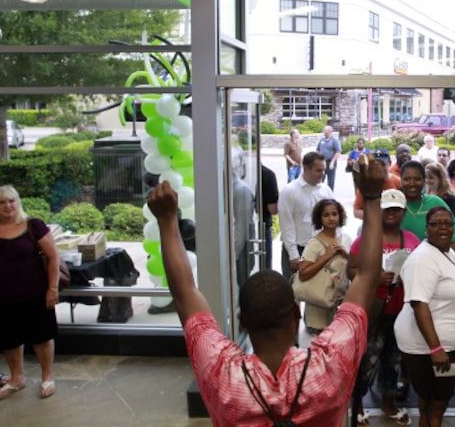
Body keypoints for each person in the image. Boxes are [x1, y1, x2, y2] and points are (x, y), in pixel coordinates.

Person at [147, 152, 386, 425]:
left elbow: (185, 293)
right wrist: (372, 198)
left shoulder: (220, 370)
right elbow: (366, 276)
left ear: (242, 322)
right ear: (296, 316)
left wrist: (167, 222)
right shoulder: (330, 365)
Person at [394, 206, 455, 427]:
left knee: (431, 403)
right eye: (436, 224)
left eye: (448, 223)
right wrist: (436, 348)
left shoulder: (448, 253)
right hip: (427, 348)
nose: (443, 228)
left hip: (442, 346)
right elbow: (419, 304)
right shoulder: (422, 259)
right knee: (436, 404)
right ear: (426, 229)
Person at [0, 185, 59, 401]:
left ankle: (47, 377)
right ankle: (16, 378)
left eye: (11, 201)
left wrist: (52, 288)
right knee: (8, 339)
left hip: (34, 293)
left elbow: (53, 258)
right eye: (2, 202)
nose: (8, 206)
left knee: (41, 337)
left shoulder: (34, 226)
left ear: (18, 202)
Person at [349, 189, 419, 426]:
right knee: (367, 359)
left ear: (403, 213)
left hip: (401, 311)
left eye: (396, 209)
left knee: (393, 359)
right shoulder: (365, 240)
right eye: (387, 209)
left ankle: (388, 404)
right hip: (373, 311)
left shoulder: (412, 240)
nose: (391, 214)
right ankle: (356, 406)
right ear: (379, 212)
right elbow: (350, 270)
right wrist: (375, 277)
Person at [296, 199, 352, 335]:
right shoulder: (314, 243)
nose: (331, 218)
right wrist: (326, 256)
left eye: (334, 214)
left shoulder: (346, 239)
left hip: (340, 299)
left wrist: (346, 254)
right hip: (319, 302)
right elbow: (303, 273)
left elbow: (356, 267)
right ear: (319, 219)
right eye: (326, 215)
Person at [277, 152, 333, 280]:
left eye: (324, 170)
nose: (323, 174)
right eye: (319, 170)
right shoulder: (290, 191)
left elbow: (334, 222)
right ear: (306, 169)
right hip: (297, 250)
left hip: (320, 250)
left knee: (317, 295)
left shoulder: (326, 191)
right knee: (292, 294)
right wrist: (293, 254)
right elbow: (286, 225)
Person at [399, 160, 455, 242]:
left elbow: (454, 239)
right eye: (407, 179)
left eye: (417, 179)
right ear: (400, 181)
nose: (412, 183)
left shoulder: (436, 203)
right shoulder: (394, 205)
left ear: (424, 181)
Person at [353, 148, 401, 220]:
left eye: (383, 164)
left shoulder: (398, 182)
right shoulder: (367, 184)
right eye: (376, 164)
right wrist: (376, 218)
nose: (379, 168)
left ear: (389, 163)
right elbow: (357, 211)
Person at [230, 148, 255, 287]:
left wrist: (234, 254)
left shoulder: (240, 190)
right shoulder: (234, 187)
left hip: (241, 248)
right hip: (236, 249)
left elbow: (242, 226)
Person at [258, 164, 279, 270]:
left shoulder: (229, 174)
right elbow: (273, 209)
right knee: (264, 269)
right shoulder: (267, 175)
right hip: (262, 226)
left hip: (235, 225)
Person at [316, 125, 342, 191]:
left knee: (331, 180)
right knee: (320, 178)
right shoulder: (322, 140)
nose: (323, 132)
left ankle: (329, 195)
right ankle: (319, 193)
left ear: (329, 131)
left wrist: (332, 162)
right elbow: (317, 150)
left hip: (330, 162)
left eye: (324, 130)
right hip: (322, 162)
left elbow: (338, 151)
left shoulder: (334, 140)